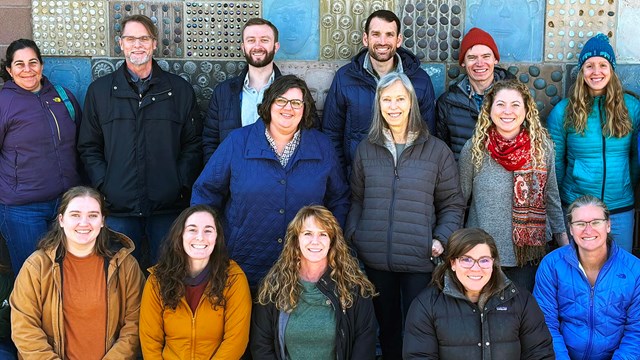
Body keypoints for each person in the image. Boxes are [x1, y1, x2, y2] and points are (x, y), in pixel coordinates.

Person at [346, 72, 465, 359]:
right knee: (385, 330)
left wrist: (440, 239)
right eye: (387, 99)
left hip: (419, 260)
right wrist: (355, 237)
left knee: (418, 330)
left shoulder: (436, 151)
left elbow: (452, 203)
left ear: (411, 102)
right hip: (376, 260)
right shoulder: (366, 149)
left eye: (400, 98)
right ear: (379, 104)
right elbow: (357, 200)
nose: (394, 106)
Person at [192, 75, 349, 292]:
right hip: (243, 261)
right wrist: (208, 239)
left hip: (303, 266)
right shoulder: (238, 142)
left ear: (305, 109)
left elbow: (339, 198)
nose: (288, 108)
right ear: (269, 104)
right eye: (281, 101)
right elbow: (206, 191)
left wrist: (326, 241)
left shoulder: (322, 147)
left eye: (296, 103)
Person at [78, 15, 203, 267]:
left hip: (167, 209)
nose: (138, 45)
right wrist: (105, 184)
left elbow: (193, 144)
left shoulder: (179, 90)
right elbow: (88, 146)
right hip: (119, 208)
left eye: (144, 38)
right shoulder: (100, 91)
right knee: (119, 279)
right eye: (131, 39)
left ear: (154, 43)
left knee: (168, 276)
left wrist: (178, 183)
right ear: (121, 44)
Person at [10, 186, 145, 359]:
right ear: (61, 220)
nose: (84, 223)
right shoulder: (36, 266)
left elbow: (135, 325)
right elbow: (24, 327)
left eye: (93, 216)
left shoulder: (125, 265)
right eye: (75, 215)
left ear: (103, 221)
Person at [458, 79, 567, 292]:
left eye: (515, 104)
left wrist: (565, 244)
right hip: (482, 256)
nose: (507, 111)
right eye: (500, 104)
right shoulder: (474, 150)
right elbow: (459, 200)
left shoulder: (542, 148)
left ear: (526, 110)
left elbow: (551, 196)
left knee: (521, 320)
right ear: (489, 109)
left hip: (527, 256)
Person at [547, 33, 640, 253]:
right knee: (578, 272)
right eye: (589, 65)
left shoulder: (632, 108)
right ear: (581, 71)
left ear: (612, 69)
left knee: (621, 272)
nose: (596, 72)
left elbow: (636, 157)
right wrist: (563, 201)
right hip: (578, 207)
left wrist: (626, 183)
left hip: (620, 208)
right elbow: (555, 163)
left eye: (602, 65)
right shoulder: (563, 111)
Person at [404, 228, 555, 359]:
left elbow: (540, 353)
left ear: (493, 263)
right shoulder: (426, 305)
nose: (476, 268)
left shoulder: (520, 300)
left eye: (484, 260)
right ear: (453, 263)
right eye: (467, 260)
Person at [0, 39, 82, 275]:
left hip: (65, 205)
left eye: (33, 62)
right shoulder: (4, 102)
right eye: (19, 64)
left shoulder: (62, 96)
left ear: (42, 65)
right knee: (34, 279)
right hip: (22, 210)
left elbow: (80, 146)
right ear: (9, 70)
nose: (27, 69)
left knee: (66, 275)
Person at [251, 205, 377, 359]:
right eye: (308, 233)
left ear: (332, 241)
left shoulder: (354, 287)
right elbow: (261, 346)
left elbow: (364, 344)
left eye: (323, 234)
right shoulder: (273, 286)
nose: (315, 241)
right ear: (296, 240)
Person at [322, 9, 436, 174]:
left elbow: (428, 135)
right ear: (365, 39)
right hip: (358, 179)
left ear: (398, 40)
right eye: (376, 34)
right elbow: (331, 135)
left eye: (389, 34)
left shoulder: (420, 80)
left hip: (406, 179)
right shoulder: (344, 78)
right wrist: (343, 180)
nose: (383, 41)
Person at [534, 195, 640, 359]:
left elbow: (636, 331)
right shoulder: (551, 265)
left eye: (596, 222)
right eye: (580, 224)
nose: (588, 230)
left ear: (608, 225)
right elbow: (545, 324)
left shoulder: (634, 269)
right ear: (570, 229)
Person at [139, 204, 251, 359]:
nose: (200, 237)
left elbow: (236, 340)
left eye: (208, 230)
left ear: (217, 237)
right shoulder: (157, 279)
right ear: (180, 235)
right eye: (192, 229)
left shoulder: (233, 278)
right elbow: (150, 340)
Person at [203, 18, 282, 163]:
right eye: (251, 40)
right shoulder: (223, 92)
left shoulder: (292, 92)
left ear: (276, 47)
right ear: (243, 46)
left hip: (279, 183)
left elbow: (308, 138)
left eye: (264, 40)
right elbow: (210, 142)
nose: (257, 46)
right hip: (234, 182)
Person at [435, 27, 515, 160]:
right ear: (463, 63)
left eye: (486, 56)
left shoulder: (517, 97)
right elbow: (442, 152)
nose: (480, 63)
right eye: (472, 57)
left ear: (495, 59)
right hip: (461, 178)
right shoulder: (447, 103)